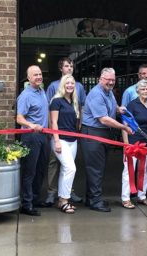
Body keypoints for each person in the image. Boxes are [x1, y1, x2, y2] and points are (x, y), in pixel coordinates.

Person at [81, 67, 133, 212]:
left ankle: (91, 198)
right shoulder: (97, 94)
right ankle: (95, 201)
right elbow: (103, 119)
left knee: (96, 168)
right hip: (93, 133)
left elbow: (111, 106)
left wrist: (118, 109)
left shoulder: (108, 92)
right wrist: (123, 128)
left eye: (113, 80)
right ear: (100, 79)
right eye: (107, 80)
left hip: (102, 134)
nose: (110, 82)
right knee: (96, 169)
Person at [44, 57, 86, 206]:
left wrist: (79, 127)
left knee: (68, 166)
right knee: (60, 164)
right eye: (67, 66)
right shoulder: (54, 90)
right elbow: (51, 115)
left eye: (72, 66)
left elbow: (80, 107)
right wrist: (53, 136)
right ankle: (53, 193)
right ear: (61, 69)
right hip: (58, 136)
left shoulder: (78, 90)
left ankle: (66, 194)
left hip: (72, 136)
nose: (70, 68)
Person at [121, 63, 147, 200]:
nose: (145, 91)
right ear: (137, 90)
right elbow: (125, 124)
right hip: (133, 141)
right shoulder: (132, 105)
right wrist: (125, 143)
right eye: (142, 89)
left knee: (143, 171)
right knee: (129, 170)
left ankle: (142, 196)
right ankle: (126, 198)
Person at [16, 65, 50, 216]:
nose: (38, 77)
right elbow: (19, 118)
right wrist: (31, 125)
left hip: (43, 135)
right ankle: (26, 204)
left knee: (41, 170)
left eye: (40, 74)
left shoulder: (42, 91)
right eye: (35, 75)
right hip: (31, 136)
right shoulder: (26, 95)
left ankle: (35, 199)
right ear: (28, 78)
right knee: (30, 171)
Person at [49, 74, 80, 214]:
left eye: (72, 83)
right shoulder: (56, 101)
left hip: (72, 141)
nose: (70, 86)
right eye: (67, 83)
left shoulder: (73, 101)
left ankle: (61, 200)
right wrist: (56, 141)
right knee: (71, 168)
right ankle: (65, 200)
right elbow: (53, 122)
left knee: (65, 170)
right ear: (63, 85)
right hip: (60, 139)